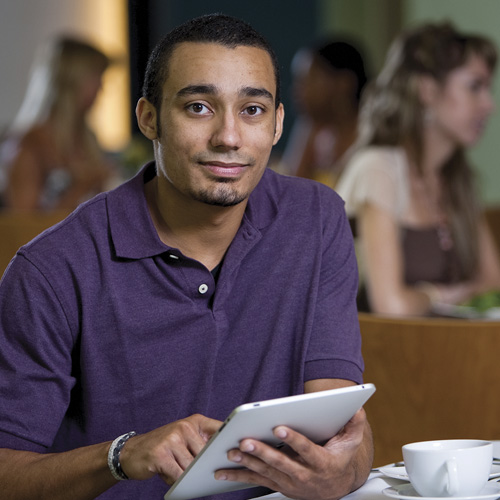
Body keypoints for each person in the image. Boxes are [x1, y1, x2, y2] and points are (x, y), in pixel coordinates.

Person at [0, 13, 372, 500]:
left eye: (253, 111)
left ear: (279, 123)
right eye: (199, 107)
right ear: (148, 117)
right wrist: (120, 455)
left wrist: (342, 471)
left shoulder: (317, 220)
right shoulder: (51, 270)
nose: (229, 137)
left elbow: (347, 434)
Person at [336, 22, 500, 316]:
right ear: (426, 89)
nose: (489, 105)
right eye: (475, 87)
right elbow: (390, 306)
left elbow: (492, 282)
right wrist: (444, 294)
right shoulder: (378, 168)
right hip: (387, 354)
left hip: (447, 347)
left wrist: (430, 297)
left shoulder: (458, 177)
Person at [0, 35, 119, 210]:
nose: (101, 88)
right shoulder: (27, 145)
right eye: (96, 77)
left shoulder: (87, 139)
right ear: (71, 80)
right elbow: (23, 228)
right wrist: (83, 186)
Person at [280, 38, 368, 188]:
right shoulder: (317, 132)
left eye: (307, 81)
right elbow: (288, 194)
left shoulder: (369, 138)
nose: (296, 91)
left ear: (343, 83)